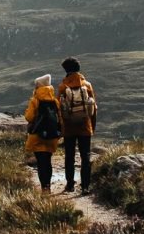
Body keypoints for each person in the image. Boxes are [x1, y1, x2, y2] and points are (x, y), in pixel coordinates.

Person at [58, 56, 96, 195]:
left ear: (66, 70)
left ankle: (70, 185)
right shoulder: (87, 85)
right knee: (85, 156)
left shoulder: (63, 86)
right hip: (85, 127)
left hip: (69, 128)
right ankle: (85, 186)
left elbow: (59, 109)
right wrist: (92, 126)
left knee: (69, 156)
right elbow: (93, 108)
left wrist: (61, 128)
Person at [24, 74, 62, 193]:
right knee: (48, 161)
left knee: (41, 162)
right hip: (52, 135)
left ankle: (44, 187)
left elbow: (29, 117)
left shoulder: (35, 100)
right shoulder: (55, 101)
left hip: (38, 136)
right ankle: (49, 186)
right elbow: (59, 118)